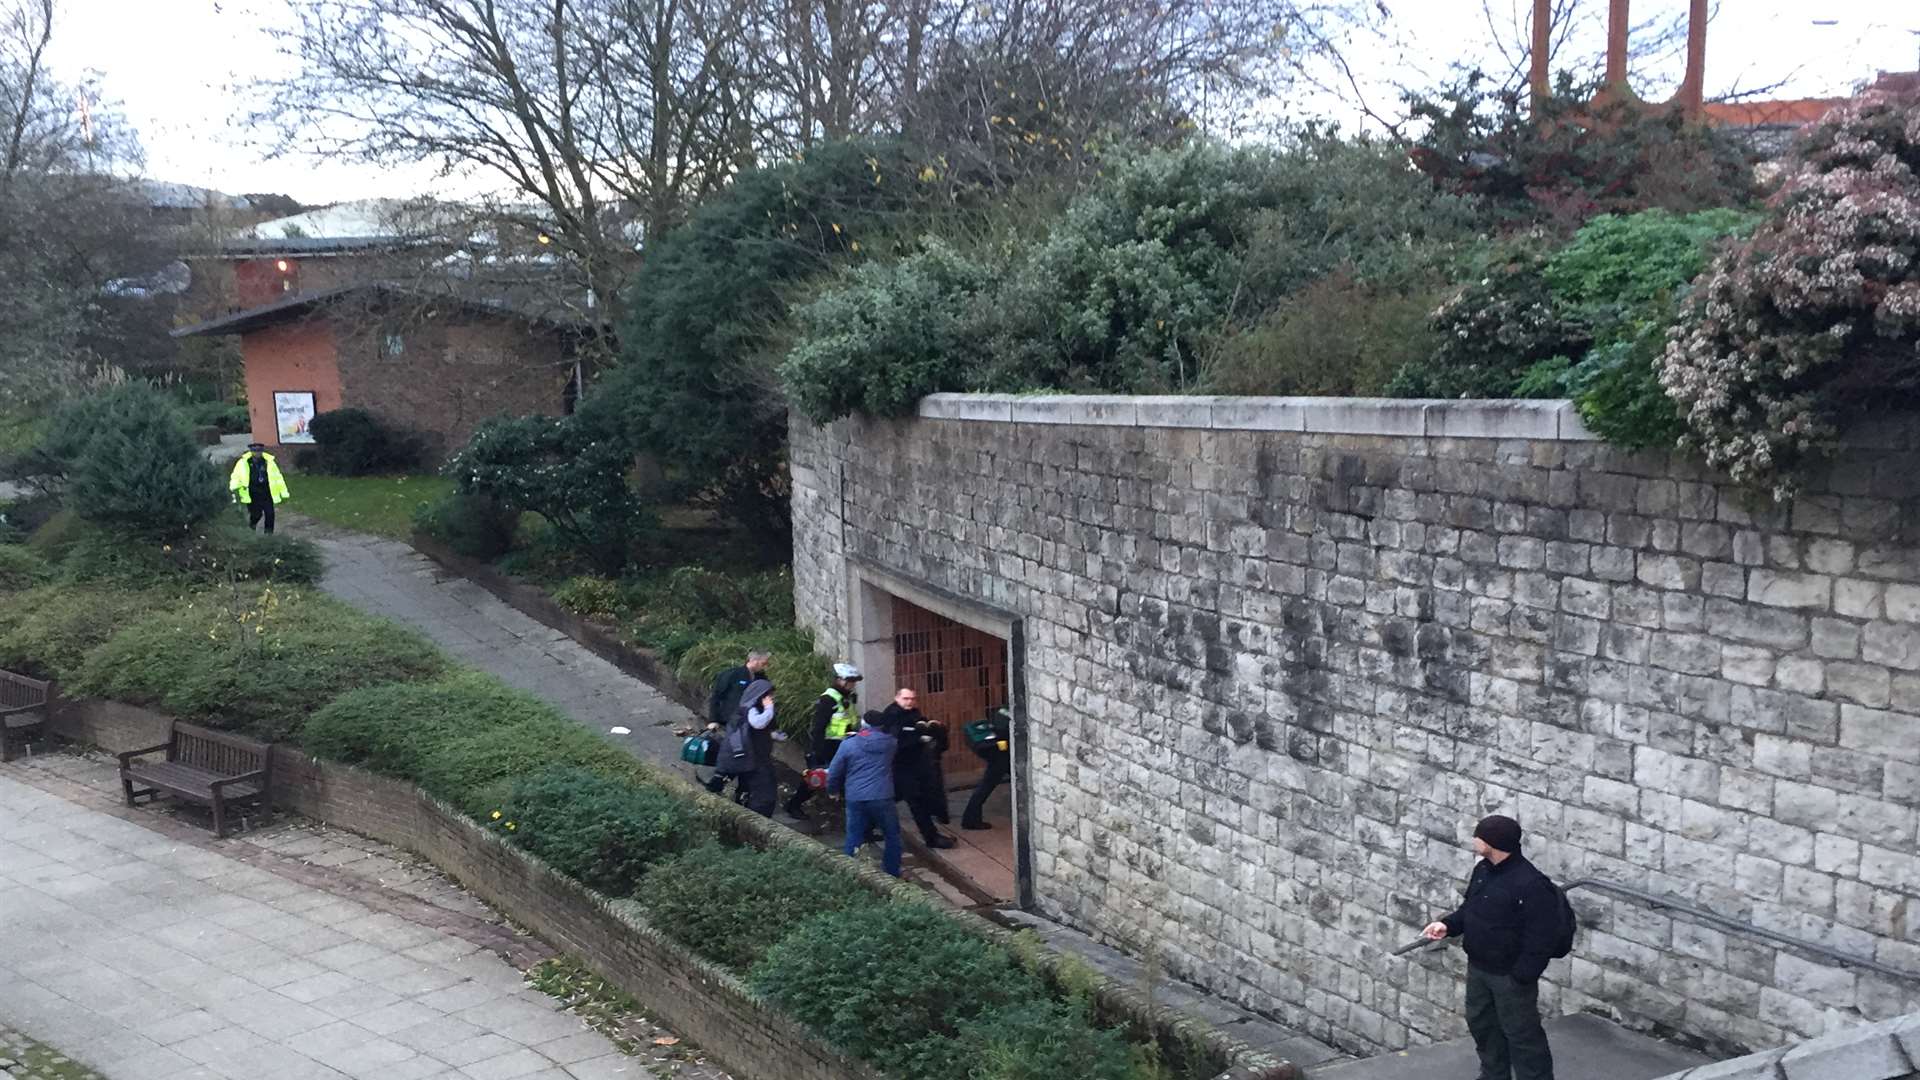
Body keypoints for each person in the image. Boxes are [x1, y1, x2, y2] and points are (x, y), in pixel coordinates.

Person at [1420, 815, 1559, 1080]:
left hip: (1510, 976)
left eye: (1478, 836)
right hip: (1480, 968)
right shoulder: (1483, 870)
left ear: (1491, 843)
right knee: (1483, 1027)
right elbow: (1470, 910)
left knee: (1522, 1036)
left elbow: (1542, 937)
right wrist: (1447, 925)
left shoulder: (1531, 884)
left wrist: (1522, 976)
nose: (1474, 840)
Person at [826, 710, 901, 877]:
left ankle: (851, 873)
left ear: (863, 724)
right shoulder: (891, 743)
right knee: (892, 836)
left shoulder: (849, 744)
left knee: (854, 836)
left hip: (855, 797)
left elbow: (835, 770)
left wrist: (832, 790)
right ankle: (892, 873)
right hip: (882, 796)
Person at [879, 688, 956, 850]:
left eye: (913, 699)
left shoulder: (913, 712)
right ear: (897, 698)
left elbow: (921, 725)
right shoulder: (892, 715)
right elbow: (895, 741)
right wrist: (918, 738)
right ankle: (931, 837)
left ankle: (867, 826)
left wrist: (932, 730)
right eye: (906, 699)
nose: (910, 702)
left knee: (895, 798)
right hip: (901, 766)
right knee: (917, 802)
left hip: (914, 765)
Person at [784, 663, 862, 822]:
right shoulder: (828, 699)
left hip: (843, 744)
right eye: (851, 681)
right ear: (841, 680)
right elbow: (818, 727)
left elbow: (849, 719)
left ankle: (858, 819)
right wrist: (817, 752)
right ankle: (793, 805)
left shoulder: (846, 697)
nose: (854, 685)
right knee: (816, 780)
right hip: (828, 746)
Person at [703, 650, 771, 798]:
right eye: (763, 663)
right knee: (736, 754)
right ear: (753, 660)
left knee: (745, 757)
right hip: (733, 723)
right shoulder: (732, 675)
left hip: (749, 726)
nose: (765, 666)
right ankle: (718, 783)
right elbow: (716, 696)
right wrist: (713, 719)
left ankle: (740, 789)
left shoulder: (761, 679)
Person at [720, 678, 779, 817]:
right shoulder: (751, 710)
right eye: (769, 695)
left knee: (749, 787)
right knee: (764, 793)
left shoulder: (746, 709)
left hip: (751, 758)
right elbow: (758, 723)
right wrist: (769, 708)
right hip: (754, 760)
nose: (772, 699)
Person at [959, 706, 1011, 831]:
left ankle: (970, 819)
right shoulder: (1012, 710)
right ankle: (970, 819)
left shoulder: (1004, 710)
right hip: (1001, 757)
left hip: (998, 754)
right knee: (985, 787)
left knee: (985, 786)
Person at [229, 442, 290, 535]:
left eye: (259, 451)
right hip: (252, 493)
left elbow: (278, 477)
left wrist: (284, 492)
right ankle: (251, 527)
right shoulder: (243, 462)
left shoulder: (268, 462)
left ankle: (268, 535)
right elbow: (236, 476)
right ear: (251, 451)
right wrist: (233, 490)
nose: (257, 453)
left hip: (266, 492)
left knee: (270, 514)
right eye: (255, 451)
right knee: (256, 514)